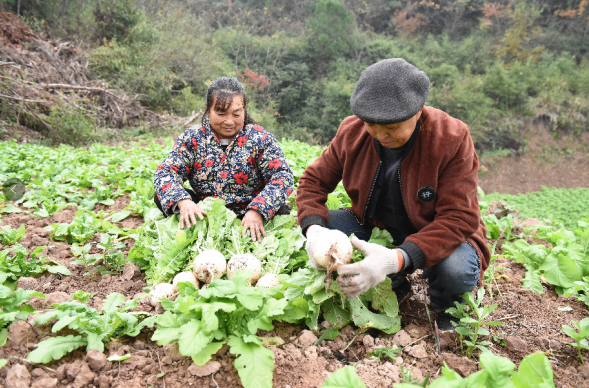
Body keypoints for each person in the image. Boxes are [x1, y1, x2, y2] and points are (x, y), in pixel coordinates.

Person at [296, 58, 490, 330]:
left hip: (435, 232)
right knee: (326, 227)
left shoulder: (451, 138)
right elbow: (313, 181)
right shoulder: (352, 132)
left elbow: (459, 218)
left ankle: (450, 312)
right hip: (378, 227)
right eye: (372, 126)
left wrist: (395, 258)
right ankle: (392, 284)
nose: (380, 136)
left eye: (391, 128)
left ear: (418, 111)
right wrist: (314, 230)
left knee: (455, 269)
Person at [154, 77, 294, 242]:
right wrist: (183, 201)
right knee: (164, 197)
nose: (229, 121)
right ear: (208, 110)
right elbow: (166, 172)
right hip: (207, 212)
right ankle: (196, 226)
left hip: (248, 211)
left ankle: (254, 225)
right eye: (221, 114)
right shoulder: (193, 138)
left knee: (281, 211)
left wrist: (257, 210)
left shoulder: (260, 138)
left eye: (236, 114)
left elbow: (282, 177)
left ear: (244, 111)